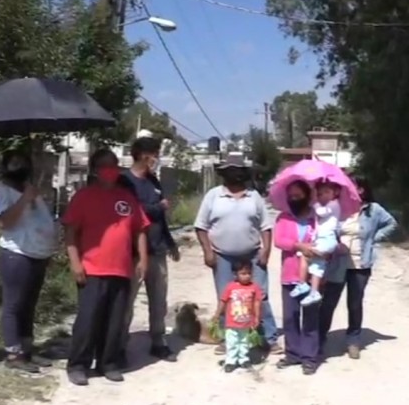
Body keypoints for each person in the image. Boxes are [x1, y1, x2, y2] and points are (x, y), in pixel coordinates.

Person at [61, 149, 150, 386]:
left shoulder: (127, 198)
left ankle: (107, 363)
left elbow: (140, 230)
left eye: (113, 165)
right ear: (94, 170)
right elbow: (70, 232)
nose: (109, 170)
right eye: (103, 165)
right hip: (91, 270)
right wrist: (75, 262)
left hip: (121, 269)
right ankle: (78, 365)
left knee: (114, 321)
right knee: (88, 320)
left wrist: (143, 259)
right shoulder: (83, 197)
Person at [193, 154, 281, 356]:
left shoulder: (254, 196)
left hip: (252, 255)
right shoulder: (213, 196)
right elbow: (201, 226)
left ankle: (268, 338)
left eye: (238, 170)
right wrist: (207, 251)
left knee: (260, 296)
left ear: (244, 173)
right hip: (222, 256)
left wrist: (266, 250)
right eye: (230, 170)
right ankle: (228, 338)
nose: (235, 174)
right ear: (224, 173)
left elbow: (266, 226)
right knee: (227, 297)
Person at [0, 150, 59, 373]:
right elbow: (5, 222)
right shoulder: (1, 193)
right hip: (17, 254)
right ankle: (13, 353)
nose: (20, 167)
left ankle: (27, 350)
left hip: (38, 254)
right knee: (13, 305)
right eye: (15, 163)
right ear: (6, 168)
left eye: (23, 162)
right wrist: (25, 198)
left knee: (29, 305)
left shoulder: (30, 189)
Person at [319, 176, 397, 360]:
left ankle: (353, 340)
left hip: (361, 264)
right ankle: (319, 338)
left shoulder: (373, 209)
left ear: (361, 189)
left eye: (352, 186)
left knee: (355, 304)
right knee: (328, 302)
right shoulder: (337, 207)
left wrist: (373, 239)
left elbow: (391, 223)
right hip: (337, 262)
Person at [122, 134, 180, 363]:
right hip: (132, 253)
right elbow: (131, 211)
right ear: (144, 156)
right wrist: (158, 207)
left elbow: (160, 217)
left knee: (159, 300)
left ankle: (158, 340)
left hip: (157, 249)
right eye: (155, 155)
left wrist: (170, 242)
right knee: (127, 300)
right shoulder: (125, 181)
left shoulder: (154, 181)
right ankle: (119, 343)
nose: (157, 159)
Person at [273, 180, 324, 374]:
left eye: (298, 195)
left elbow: (329, 239)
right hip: (289, 275)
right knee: (290, 317)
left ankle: (309, 358)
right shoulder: (283, 217)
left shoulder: (318, 218)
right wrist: (298, 245)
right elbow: (279, 241)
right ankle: (292, 354)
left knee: (310, 318)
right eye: (291, 196)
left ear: (307, 195)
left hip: (312, 277)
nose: (294, 199)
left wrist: (318, 249)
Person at [289, 180, 342, 306]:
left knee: (305, 255)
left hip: (327, 239)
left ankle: (303, 284)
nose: (323, 195)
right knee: (316, 266)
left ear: (335, 193)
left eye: (327, 192)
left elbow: (320, 212)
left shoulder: (334, 204)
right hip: (322, 239)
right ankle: (313, 291)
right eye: (320, 194)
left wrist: (315, 202)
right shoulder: (327, 206)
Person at [213, 260, 262, 373]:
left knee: (245, 342)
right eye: (243, 274)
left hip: (246, 322)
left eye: (249, 273)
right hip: (232, 323)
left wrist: (257, 317)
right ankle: (231, 361)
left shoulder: (254, 287)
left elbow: (257, 303)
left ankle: (243, 359)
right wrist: (217, 314)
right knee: (232, 342)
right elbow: (223, 301)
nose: (246, 276)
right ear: (235, 274)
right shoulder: (230, 287)